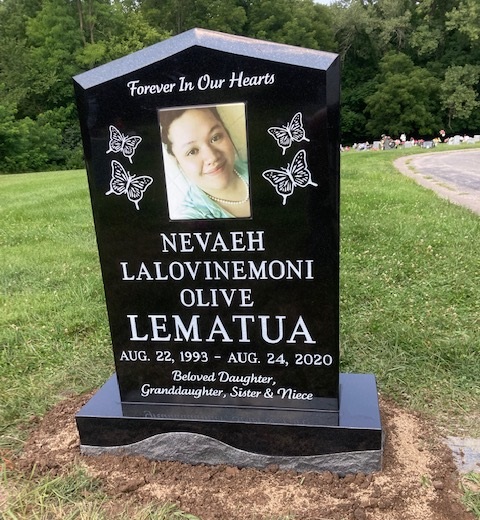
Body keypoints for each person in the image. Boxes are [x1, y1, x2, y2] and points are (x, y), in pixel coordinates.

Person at [159, 105, 251, 219]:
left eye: (215, 137)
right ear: (177, 161)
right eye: (192, 151)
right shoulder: (190, 217)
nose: (212, 157)